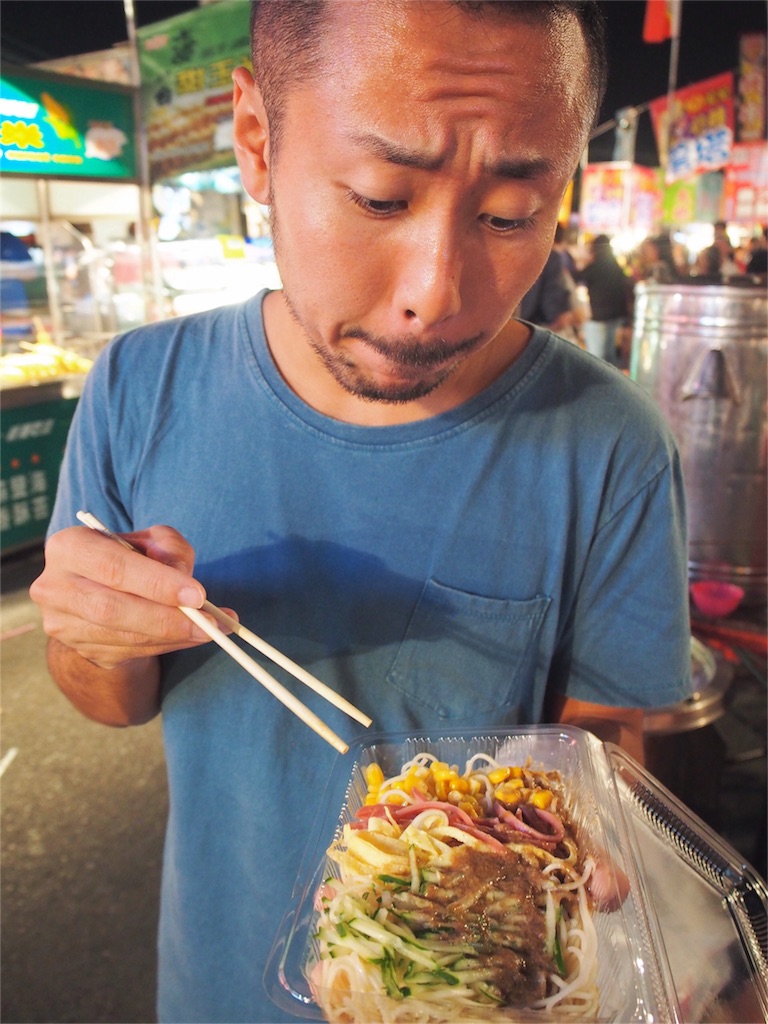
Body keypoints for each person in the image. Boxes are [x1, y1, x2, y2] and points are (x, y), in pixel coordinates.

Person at [29, 3, 692, 1022]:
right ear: (257, 141)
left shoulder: (611, 444)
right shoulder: (141, 386)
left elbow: (607, 731)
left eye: (513, 213)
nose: (436, 290)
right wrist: (90, 634)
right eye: (382, 197)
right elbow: (110, 699)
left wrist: (598, 827)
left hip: (476, 990)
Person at [577, 234, 634, 367]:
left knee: (596, 359)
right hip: (616, 316)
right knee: (610, 357)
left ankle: (597, 384)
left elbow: (577, 278)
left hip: (598, 317)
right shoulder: (616, 267)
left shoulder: (594, 267)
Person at [517, 226, 579, 341]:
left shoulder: (513, 252)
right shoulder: (552, 258)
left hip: (507, 332)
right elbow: (555, 312)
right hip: (534, 334)